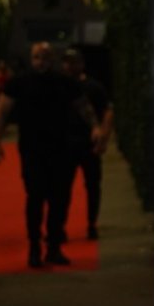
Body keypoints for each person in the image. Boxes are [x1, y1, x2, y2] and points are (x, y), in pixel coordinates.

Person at [0, 42, 92, 268]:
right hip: (32, 149)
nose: (41, 61)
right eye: (37, 57)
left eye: (45, 57)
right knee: (35, 197)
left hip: (61, 149)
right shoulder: (19, 82)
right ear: (31, 58)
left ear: (52, 58)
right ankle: (34, 246)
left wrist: (95, 129)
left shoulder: (65, 82)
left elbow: (83, 107)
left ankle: (53, 246)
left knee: (59, 199)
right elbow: (2, 111)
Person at [60, 48, 113, 239]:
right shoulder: (59, 87)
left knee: (92, 186)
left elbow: (107, 113)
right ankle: (60, 225)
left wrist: (103, 138)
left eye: (73, 62)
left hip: (88, 144)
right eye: (67, 62)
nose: (69, 66)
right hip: (65, 145)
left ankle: (91, 223)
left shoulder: (94, 87)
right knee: (63, 187)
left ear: (81, 64)